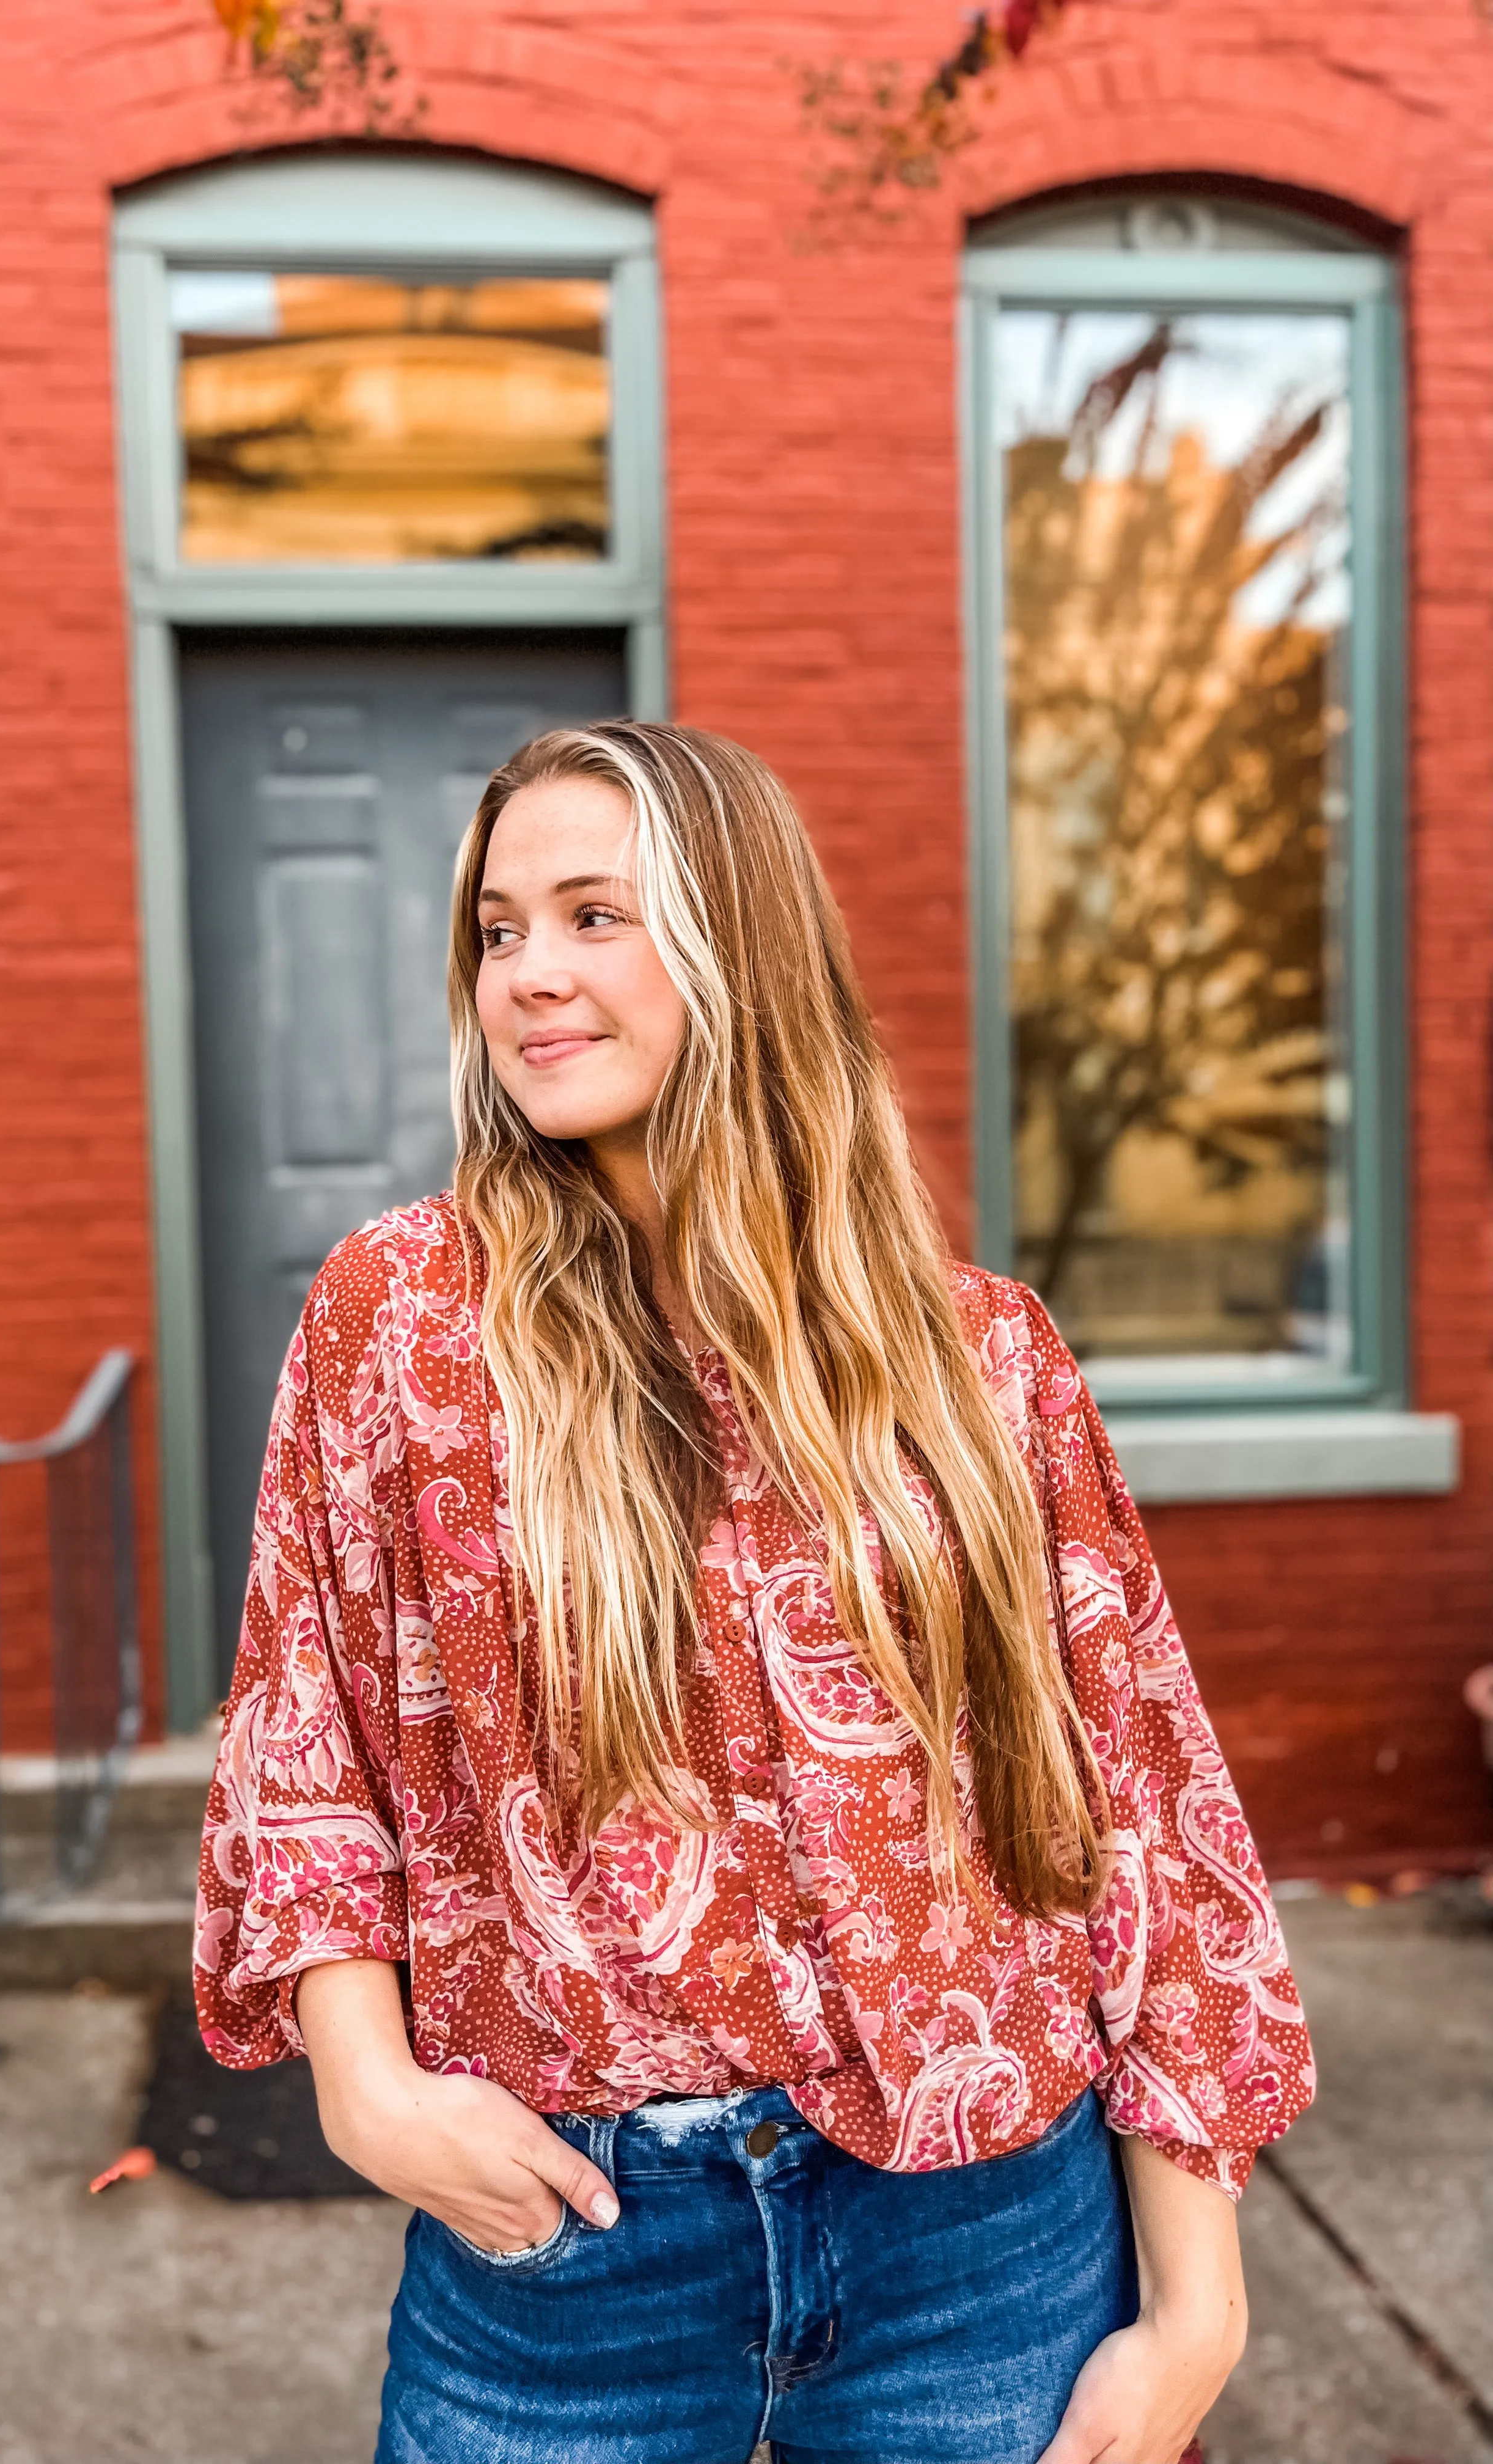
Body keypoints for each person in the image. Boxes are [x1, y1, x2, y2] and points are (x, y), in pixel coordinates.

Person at [196, 722, 1313, 2464]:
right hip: (571, 2238)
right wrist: (370, 2086)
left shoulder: (977, 1354)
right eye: (498, 932)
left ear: (740, 949)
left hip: (985, 2235)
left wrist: (1197, 2309)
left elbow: (1142, 1807)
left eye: (592, 916)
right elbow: (303, 1728)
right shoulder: (403, 1320)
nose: (530, 980)